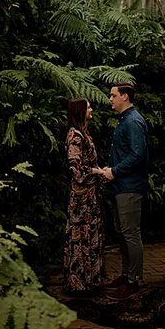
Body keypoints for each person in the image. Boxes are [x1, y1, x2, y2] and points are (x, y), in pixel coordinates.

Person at [96, 82, 150, 300]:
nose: (110, 99)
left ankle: (134, 280)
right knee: (122, 231)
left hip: (129, 186)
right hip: (120, 186)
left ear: (125, 97)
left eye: (113, 95)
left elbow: (138, 155)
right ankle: (126, 274)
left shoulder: (134, 122)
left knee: (130, 232)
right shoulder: (125, 121)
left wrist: (114, 171)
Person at [63, 96, 106, 295]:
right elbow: (76, 169)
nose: (92, 110)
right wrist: (96, 172)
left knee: (91, 236)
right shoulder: (75, 136)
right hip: (82, 200)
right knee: (80, 237)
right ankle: (80, 283)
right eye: (88, 107)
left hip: (90, 197)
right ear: (81, 111)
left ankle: (91, 280)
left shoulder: (83, 134)